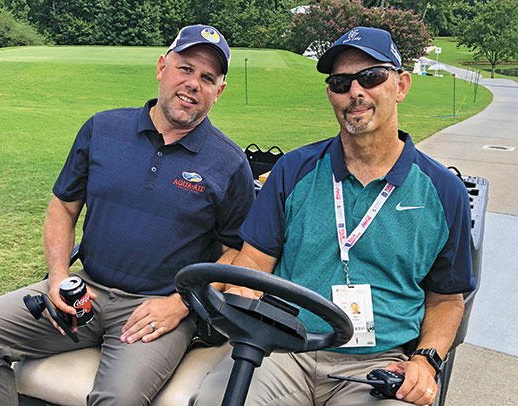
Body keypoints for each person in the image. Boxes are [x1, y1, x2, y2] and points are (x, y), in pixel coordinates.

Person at [0, 24, 255, 406]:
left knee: (116, 400)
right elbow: (63, 205)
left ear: (219, 91)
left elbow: (238, 252)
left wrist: (181, 304)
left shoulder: (229, 162)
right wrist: (58, 277)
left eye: (208, 78)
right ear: (162, 67)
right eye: (185, 68)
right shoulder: (103, 129)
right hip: (85, 290)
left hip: (154, 309)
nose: (193, 83)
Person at [191, 27, 475, 406]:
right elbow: (254, 263)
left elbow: (447, 300)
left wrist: (426, 359)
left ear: (401, 85)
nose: (355, 91)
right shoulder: (294, 170)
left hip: (377, 363)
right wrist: (243, 304)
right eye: (341, 82)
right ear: (331, 95)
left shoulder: (443, 191)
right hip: (283, 349)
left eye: (371, 77)